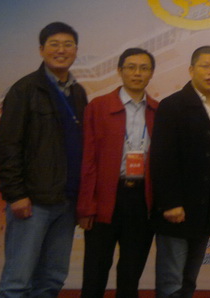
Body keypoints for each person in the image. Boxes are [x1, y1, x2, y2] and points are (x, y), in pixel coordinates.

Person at [0, 22, 88, 298]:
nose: (61, 50)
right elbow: (6, 146)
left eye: (68, 45)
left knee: (52, 279)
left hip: (66, 201)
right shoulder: (24, 90)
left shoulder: (78, 92)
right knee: (18, 281)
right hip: (32, 202)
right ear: (41, 50)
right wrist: (16, 195)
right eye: (54, 44)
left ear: (76, 50)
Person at [76, 48, 159, 298]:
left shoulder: (158, 110)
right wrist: (86, 206)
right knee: (95, 272)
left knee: (131, 274)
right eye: (131, 67)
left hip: (141, 200)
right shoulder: (98, 107)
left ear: (151, 73)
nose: (137, 73)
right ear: (119, 71)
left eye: (144, 68)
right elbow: (88, 159)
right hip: (106, 198)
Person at [150, 46, 210, 298]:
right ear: (191, 70)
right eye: (205, 66)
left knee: (189, 279)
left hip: (204, 211)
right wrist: (170, 203)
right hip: (177, 209)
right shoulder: (173, 105)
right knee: (171, 282)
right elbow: (162, 158)